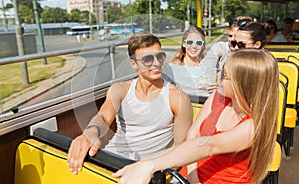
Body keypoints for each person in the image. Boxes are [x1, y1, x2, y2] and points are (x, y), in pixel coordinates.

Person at [112, 48, 279, 184]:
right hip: (190, 173)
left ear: (244, 85)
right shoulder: (219, 98)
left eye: (225, 76)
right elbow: (193, 138)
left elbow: (209, 146)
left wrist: (152, 165)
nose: (218, 78)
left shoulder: (252, 127)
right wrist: (144, 164)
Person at [67, 33, 193, 174]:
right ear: (134, 64)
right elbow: (103, 117)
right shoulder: (120, 90)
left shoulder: (178, 98)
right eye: (147, 59)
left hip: (148, 169)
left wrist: (151, 169)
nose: (157, 63)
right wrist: (90, 132)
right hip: (112, 160)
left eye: (160, 56)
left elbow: (182, 150)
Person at [163, 26, 211, 96]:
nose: (194, 46)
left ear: (203, 45)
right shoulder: (172, 67)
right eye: (190, 42)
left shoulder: (208, 67)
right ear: (183, 44)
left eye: (198, 43)